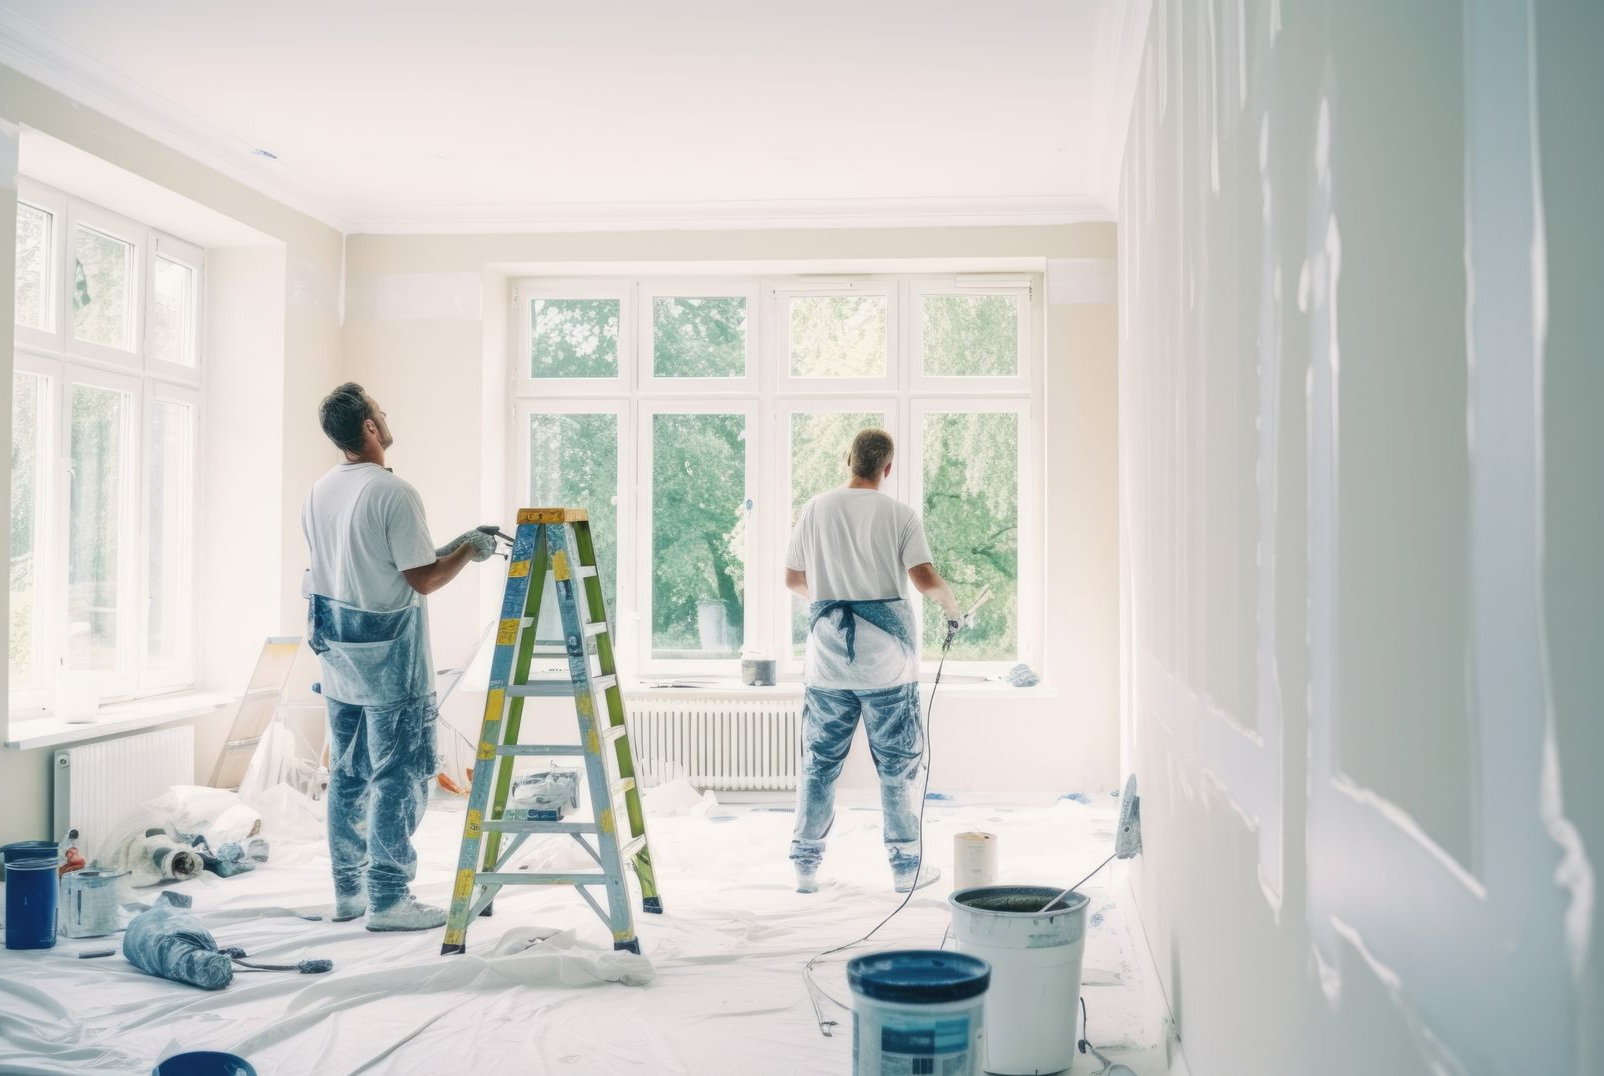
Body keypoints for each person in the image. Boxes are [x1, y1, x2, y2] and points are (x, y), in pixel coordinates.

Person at [302, 383, 496, 931]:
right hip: (389, 657)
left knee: (348, 771)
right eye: (379, 413)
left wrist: (456, 544)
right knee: (401, 772)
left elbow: (373, 565)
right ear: (368, 427)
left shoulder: (319, 491)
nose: (386, 418)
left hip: (340, 652)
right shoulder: (395, 493)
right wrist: (468, 552)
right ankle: (388, 899)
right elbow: (423, 579)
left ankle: (349, 891)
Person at [784, 428, 965, 894]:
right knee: (898, 765)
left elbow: (793, 579)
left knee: (819, 763)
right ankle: (905, 870)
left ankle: (805, 867)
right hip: (886, 664)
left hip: (827, 663)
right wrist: (951, 608)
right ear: (887, 469)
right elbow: (924, 578)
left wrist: (832, 604)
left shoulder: (815, 508)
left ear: (849, 459)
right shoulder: (900, 515)